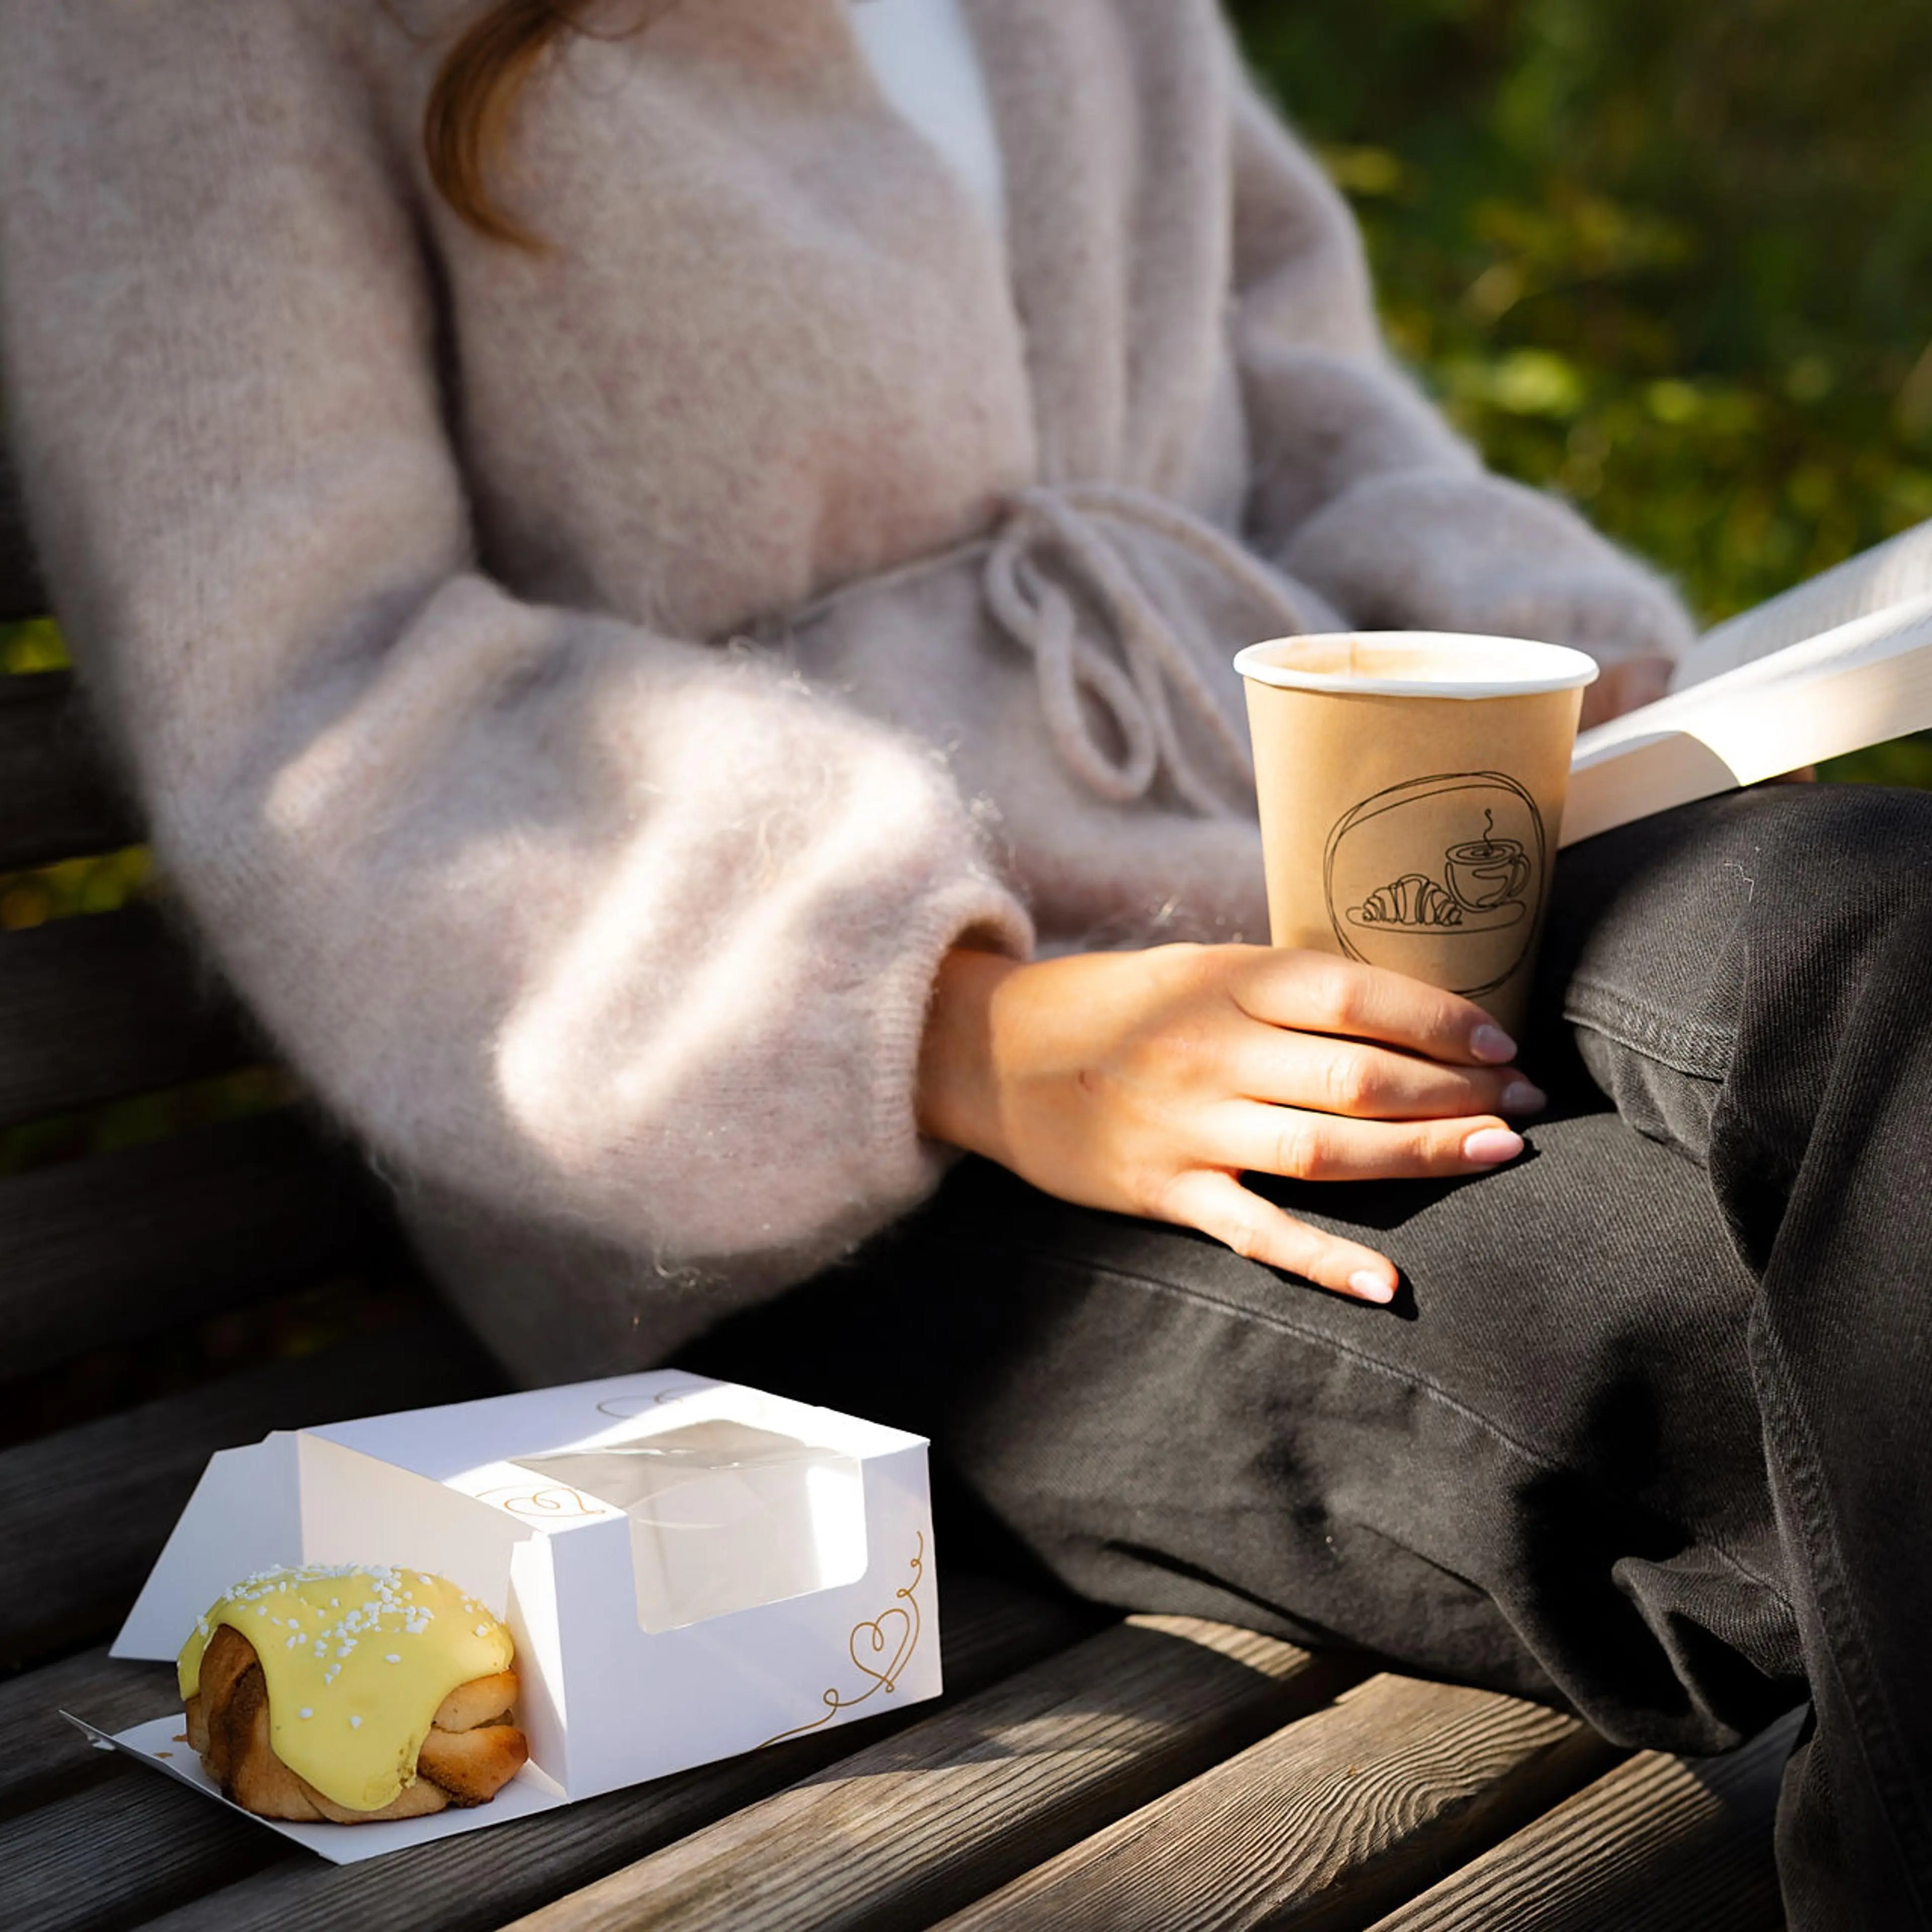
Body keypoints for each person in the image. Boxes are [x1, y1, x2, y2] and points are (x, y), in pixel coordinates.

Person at [0, 3, 1925, 1923]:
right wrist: (947, 1019)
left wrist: (1556, 664)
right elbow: (324, 691)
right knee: (1767, 1358)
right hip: (795, 1147)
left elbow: (1288, 374)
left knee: (1881, 913)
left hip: (1283, 896)